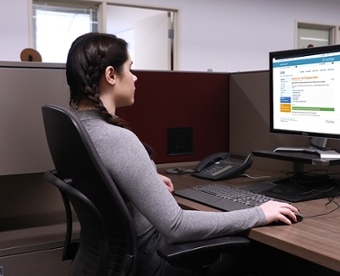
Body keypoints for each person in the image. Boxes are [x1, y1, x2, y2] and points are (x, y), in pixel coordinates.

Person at [66, 32, 300, 275]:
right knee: (265, 253)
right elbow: (177, 225)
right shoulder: (115, 138)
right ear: (111, 75)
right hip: (150, 259)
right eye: (131, 69)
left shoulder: (74, 128)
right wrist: (259, 213)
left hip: (111, 258)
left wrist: (139, 179)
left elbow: (101, 181)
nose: (135, 78)